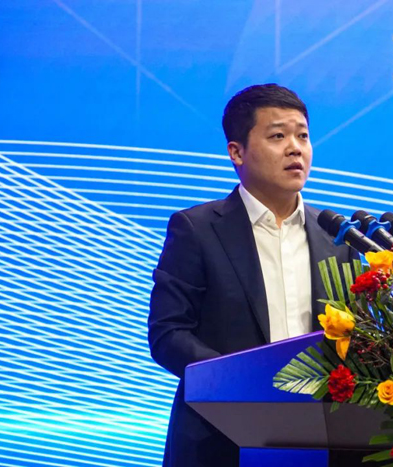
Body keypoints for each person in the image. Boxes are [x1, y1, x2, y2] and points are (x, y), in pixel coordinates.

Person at [148, 84, 358, 466]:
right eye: (278, 136)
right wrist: (241, 383)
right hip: (220, 439)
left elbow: (355, 339)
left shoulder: (337, 238)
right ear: (236, 152)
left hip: (321, 438)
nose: (295, 148)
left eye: (303, 136)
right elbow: (169, 334)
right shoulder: (197, 229)